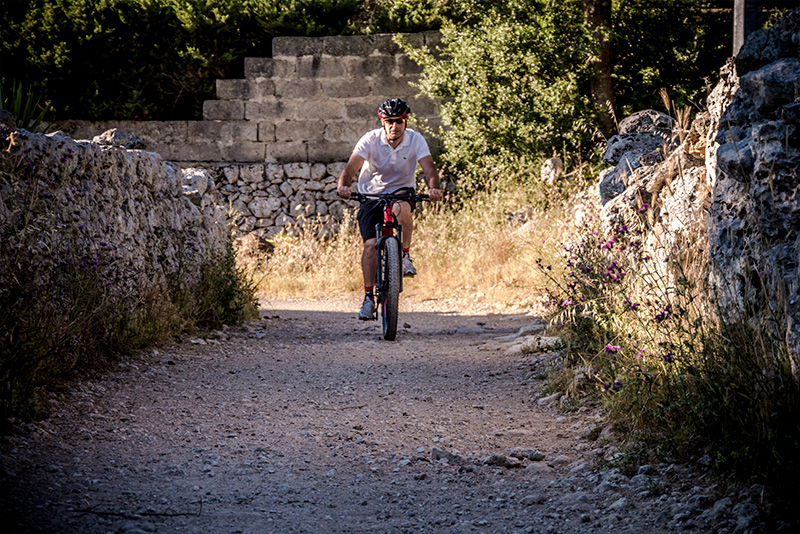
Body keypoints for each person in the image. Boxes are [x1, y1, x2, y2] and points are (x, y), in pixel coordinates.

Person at [337, 98, 442, 320]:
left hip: (401, 191)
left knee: (402, 207)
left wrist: (434, 189)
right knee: (370, 246)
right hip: (370, 195)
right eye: (390, 121)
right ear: (382, 122)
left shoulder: (416, 140)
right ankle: (368, 298)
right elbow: (350, 168)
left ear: (406, 122)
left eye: (399, 121)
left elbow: (430, 171)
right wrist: (343, 186)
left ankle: (404, 256)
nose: (395, 126)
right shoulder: (370, 140)